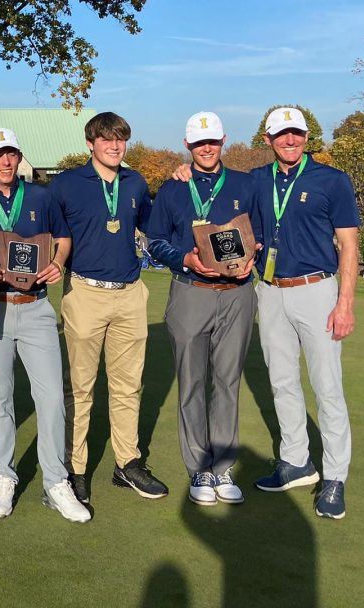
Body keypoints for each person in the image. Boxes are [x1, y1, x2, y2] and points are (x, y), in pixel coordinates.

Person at [0, 128, 90, 523]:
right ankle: (4, 474)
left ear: (19, 158)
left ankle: (55, 480)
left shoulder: (40, 196)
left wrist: (57, 262)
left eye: (12, 154)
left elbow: (63, 239)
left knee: (51, 397)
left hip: (35, 308)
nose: (6, 161)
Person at [49, 111, 168, 507]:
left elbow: (156, 226)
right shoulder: (65, 184)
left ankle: (127, 462)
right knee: (80, 388)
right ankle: (74, 469)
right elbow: (44, 231)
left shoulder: (135, 182)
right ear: (91, 143)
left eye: (121, 139)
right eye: (106, 139)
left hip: (130, 293)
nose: (115, 146)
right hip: (85, 291)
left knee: (128, 385)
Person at [250, 107, 359, 519]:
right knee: (281, 382)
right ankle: (296, 462)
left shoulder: (332, 180)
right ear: (268, 139)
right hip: (270, 291)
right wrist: (182, 172)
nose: (290, 141)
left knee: (327, 386)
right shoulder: (257, 180)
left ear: (307, 136)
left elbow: (349, 246)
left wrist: (345, 304)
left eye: (296, 133)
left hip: (317, 290)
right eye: (282, 135)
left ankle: (334, 477)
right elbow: (218, 185)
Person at [147, 112, 260, 507]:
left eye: (212, 141)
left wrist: (254, 259)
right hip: (190, 290)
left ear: (224, 140)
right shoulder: (172, 188)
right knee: (192, 382)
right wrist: (185, 260)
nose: (207, 148)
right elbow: (154, 242)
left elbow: (258, 235)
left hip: (237, 293)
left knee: (227, 382)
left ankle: (224, 466)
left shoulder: (246, 184)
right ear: (187, 145)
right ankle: (199, 468)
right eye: (199, 143)